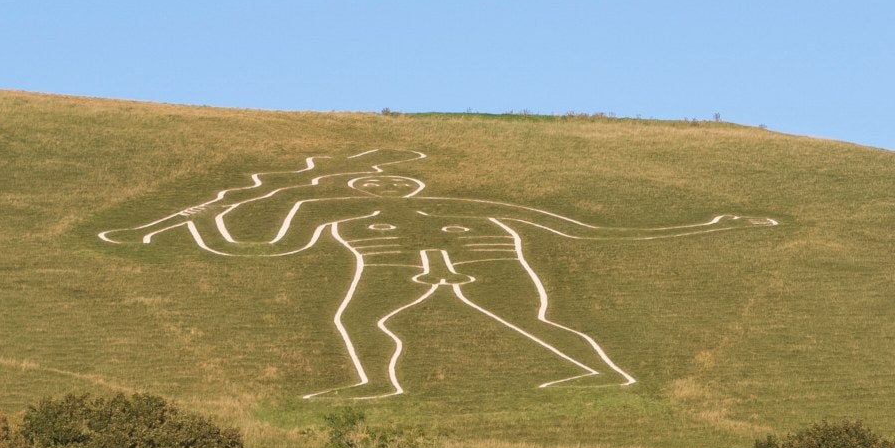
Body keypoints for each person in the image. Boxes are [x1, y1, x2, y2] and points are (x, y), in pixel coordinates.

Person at [100, 150, 775, 397]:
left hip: (484, 263)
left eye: (385, 178)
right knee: (356, 317)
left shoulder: (459, 204)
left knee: (531, 317)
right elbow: (261, 253)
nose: (377, 185)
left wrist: (710, 227)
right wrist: (208, 217)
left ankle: (598, 372)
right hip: (395, 268)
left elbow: (581, 232)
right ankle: (371, 381)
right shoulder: (326, 207)